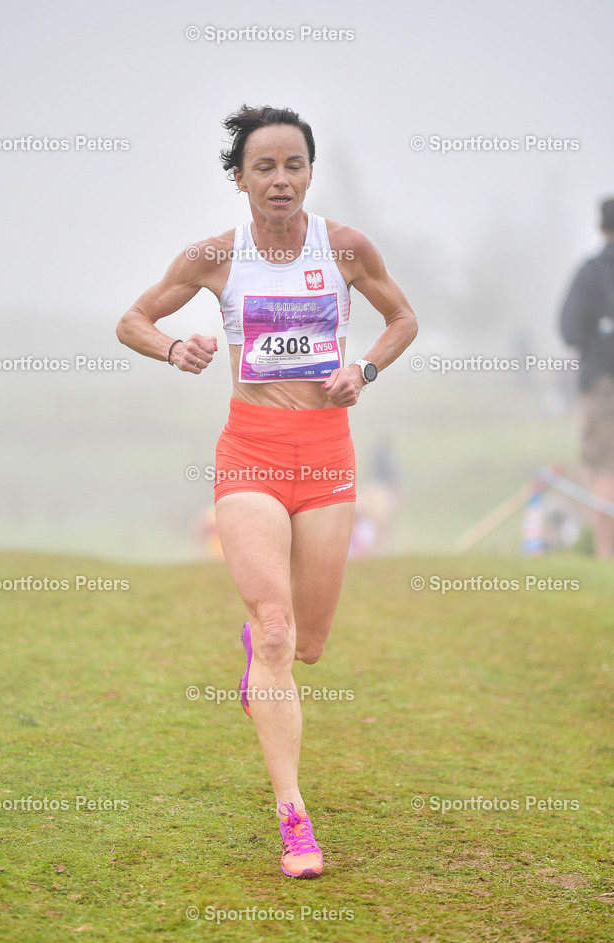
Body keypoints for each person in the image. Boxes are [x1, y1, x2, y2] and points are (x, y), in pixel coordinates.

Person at [116, 105, 418, 878]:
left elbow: (402, 318)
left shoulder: (346, 248)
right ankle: (294, 818)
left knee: (306, 646)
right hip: (247, 452)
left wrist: (366, 369)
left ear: (309, 172)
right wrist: (173, 345)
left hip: (327, 459)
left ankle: (264, 658)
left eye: (293, 165)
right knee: (278, 626)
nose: (280, 180)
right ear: (240, 177)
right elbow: (133, 319)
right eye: (264, 167)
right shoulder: (213, 256)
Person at [560, 197, 614, 558]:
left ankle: (608, 557)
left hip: (603, 385)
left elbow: (570, 330)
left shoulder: (593, 271)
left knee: (605, 469)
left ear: (601, 228)